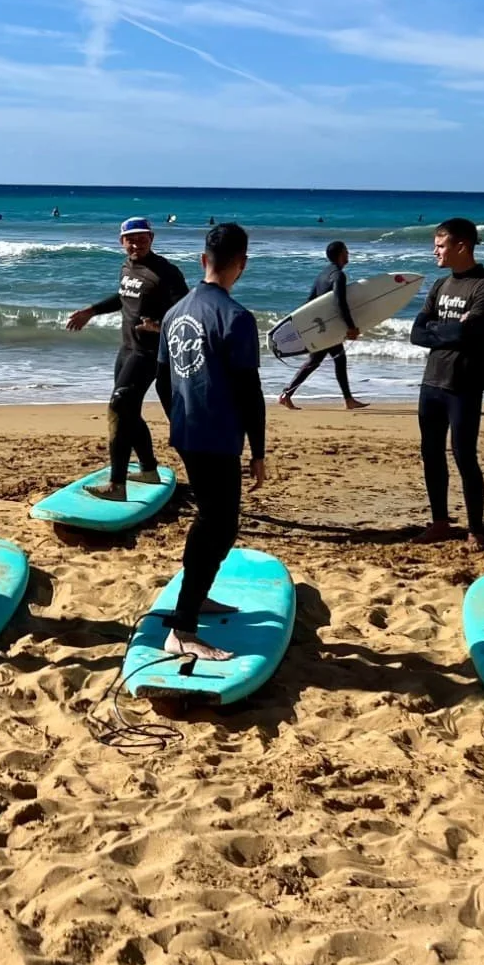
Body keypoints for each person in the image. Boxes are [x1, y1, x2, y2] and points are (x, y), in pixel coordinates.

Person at [158, 223, 267, 661]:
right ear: (241, 264)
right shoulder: (237, 318)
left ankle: (195, 599)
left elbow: (163, 382)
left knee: (213, 521)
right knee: (218, 525)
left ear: (203, 260)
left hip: (187, 433)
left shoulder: (173, 312)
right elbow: (250, 392)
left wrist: (182, 419)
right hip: (218, 438)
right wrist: (258, 451)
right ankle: (183, 628)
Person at [65, 217, 190, 501]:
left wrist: (159, 326)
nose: (136, 244)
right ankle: (147, 469)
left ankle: (117, 485)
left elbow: (185, 312)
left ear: (152, 238)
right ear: (121, 241)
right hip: (127, 349)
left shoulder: (167, 272)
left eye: (142, 238)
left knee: (119, 407)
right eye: (131, 239)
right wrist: (91, 311)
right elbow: (123, 297)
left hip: (150, 353)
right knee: (129, 410)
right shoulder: (127, 267)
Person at [410, 218, 484, 546]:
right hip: (432, 381)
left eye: (440, 245)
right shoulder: (440, 286)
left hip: (464, 384)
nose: (434, 251)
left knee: (464, 454)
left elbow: (469, 332)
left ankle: (476, 528)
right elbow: (416, 332)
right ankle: (439, 522)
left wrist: (443, 330)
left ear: (461, 246)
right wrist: (449, 331)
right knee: (431, 453)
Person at [279, 241, 368, 410]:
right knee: (326, 360)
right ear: (341, 254)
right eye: (346, 252)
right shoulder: (338, 276)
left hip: (321, 326)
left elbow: (309, 301)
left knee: (327, 360)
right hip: (329, 327)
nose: (348, 254)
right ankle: (287, 394)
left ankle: (287, 394)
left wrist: (304, 325)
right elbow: (339, 302)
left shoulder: (322, 274)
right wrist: (351, 326)